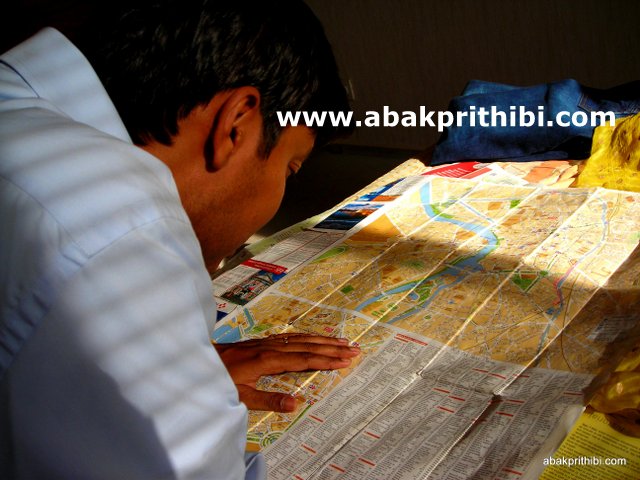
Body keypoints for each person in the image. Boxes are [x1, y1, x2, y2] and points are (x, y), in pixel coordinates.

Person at [0, 1, 356, 478]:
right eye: (289, 168)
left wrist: (161, 372)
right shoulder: (116, 222)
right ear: (236, 123)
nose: (280, 193)